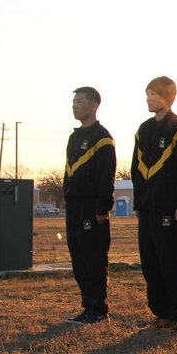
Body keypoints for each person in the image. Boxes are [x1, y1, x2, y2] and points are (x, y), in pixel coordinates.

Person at [132, 76, 177, 333]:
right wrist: (139, 202)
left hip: (170, 209)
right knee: (150, 262)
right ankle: (159, 313)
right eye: (147, 94)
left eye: (154, 95)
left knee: (169, 261)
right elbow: (135, 168)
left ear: (168, 97)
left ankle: (174, 315)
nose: (149, 99)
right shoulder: (144, 129)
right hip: (148, 208)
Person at [63, 87, 116, 325]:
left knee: (93, 258)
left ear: (94, 105)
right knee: (79, 259)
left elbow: (107, 176)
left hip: (91, 209)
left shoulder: (102, 137)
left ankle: (98, 309)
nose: (75, 105)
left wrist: (101, 208)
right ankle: (87, 306)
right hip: (74, 208)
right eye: (74, 101)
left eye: (80, 101)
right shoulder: (75, 137)